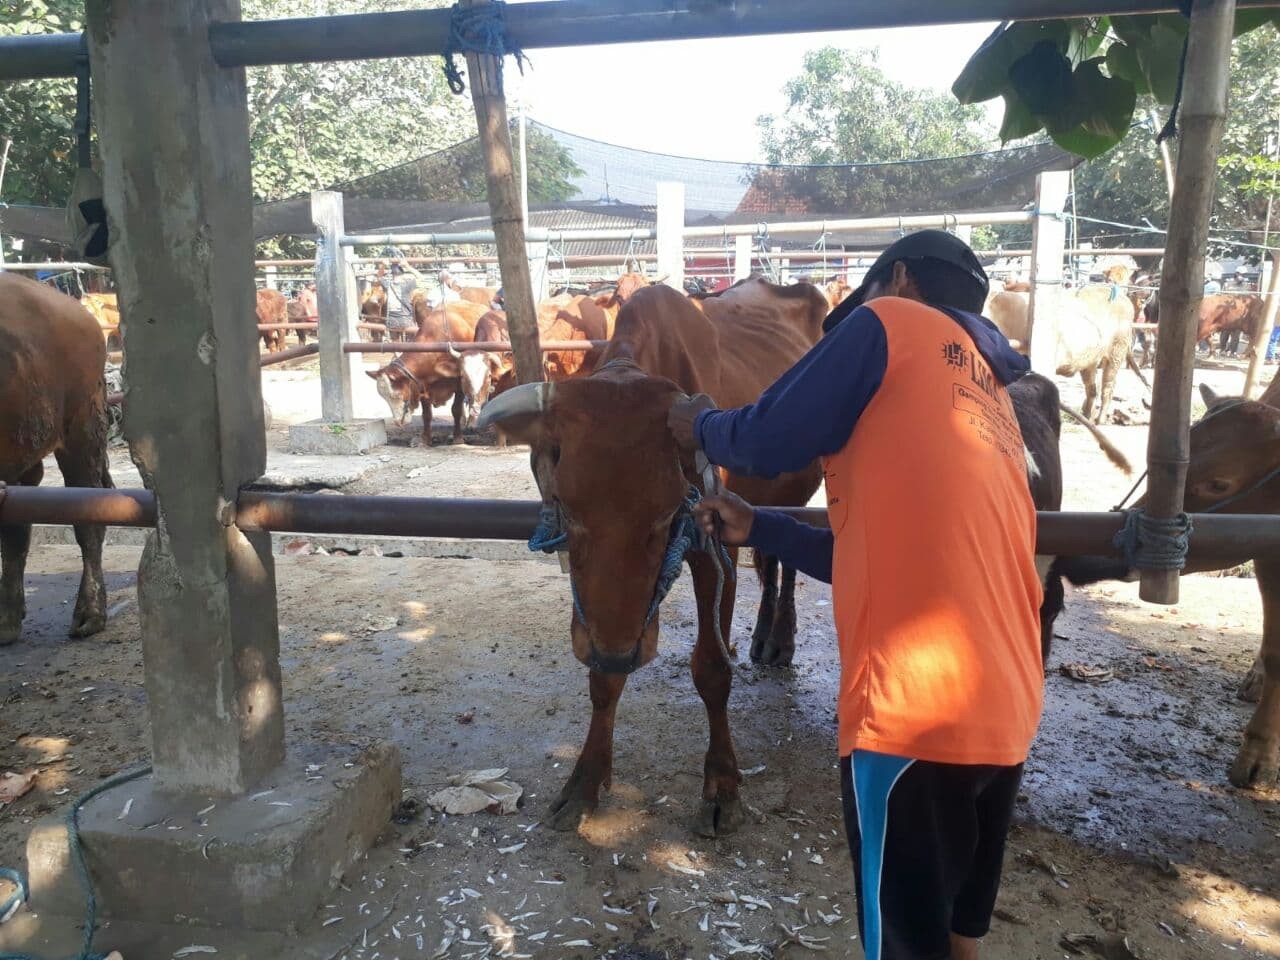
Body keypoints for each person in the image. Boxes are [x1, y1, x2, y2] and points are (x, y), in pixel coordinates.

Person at [668, 230, 1043, 960]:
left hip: (915, 715)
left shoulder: (890, 321)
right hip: (1005, 707)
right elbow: (882, 553)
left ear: (896, 278)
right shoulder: (989, 393)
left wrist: (701, 426)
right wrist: (764, 526)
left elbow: (767, 440)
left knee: (904, 947)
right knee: (957, 938)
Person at [384, 255, 421, 342]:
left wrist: (382, 266)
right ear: (403, 274)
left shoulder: (387, 284)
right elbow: (421, 278)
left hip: (392, 320)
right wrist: (408, 267)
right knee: (411, 340)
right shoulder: (407, 285)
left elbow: (378, 277)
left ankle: (397, 354)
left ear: (392, 274)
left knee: (395, 343)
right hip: (406, 319)